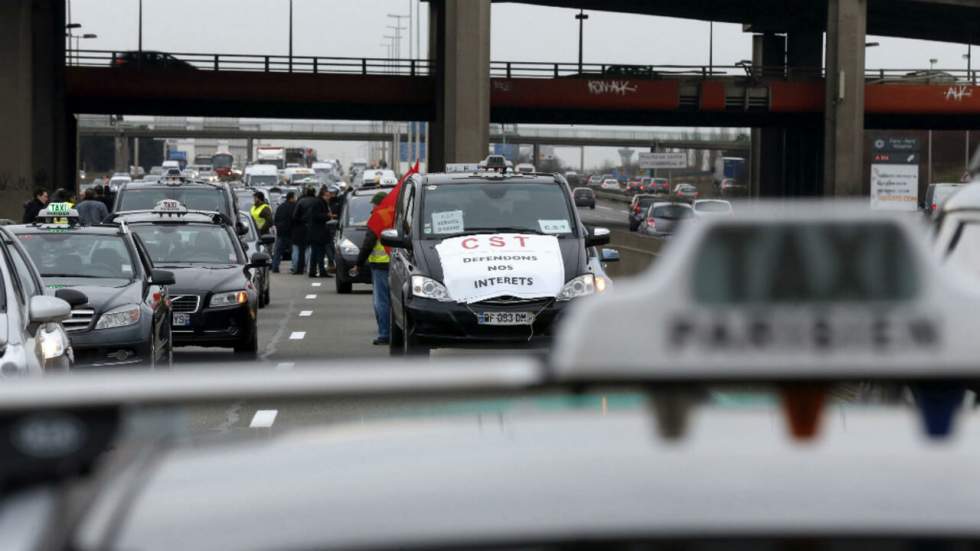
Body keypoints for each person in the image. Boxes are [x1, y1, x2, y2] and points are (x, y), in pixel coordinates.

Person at [353, 192, 391, 345]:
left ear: (379, 203)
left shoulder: (377, 217)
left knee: (381, 301)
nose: (373, 206)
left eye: (374, 203)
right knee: (395, 300)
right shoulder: (398, 214)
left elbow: (369, 242)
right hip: (398, 263)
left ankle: (384, 334)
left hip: (380, 264)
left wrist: (359, 263)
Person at [305, 185, 333, 279]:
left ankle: (313, 271)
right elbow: (317, 216)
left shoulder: (319, 202)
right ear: (323, 195)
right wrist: (328, 216)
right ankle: (321, 271)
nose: (330, 197)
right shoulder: (319, 203)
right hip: (318, 232)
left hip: (316, 232)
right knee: (319, 252)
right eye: (328, 195)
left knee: (315, 252)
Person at [290, 187, 317, 275]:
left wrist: (302, 220)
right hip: (315, 228)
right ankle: (313, 269)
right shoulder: (317, 201)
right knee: (315, 250)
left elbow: (294, 216)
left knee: (301, 250)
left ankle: (299, 269)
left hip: (302, 228)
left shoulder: (301, 202)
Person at [271, 191, 296, 273]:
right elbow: (295, 219)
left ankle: (275, 267)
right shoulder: (294, 206)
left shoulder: (280, 207)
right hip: (291, 232)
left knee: (278, 251)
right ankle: (294, 267)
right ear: (291, 198)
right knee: (294, 251)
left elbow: (275, 219)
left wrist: (279, 227)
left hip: (281, 232)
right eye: (294, 197)